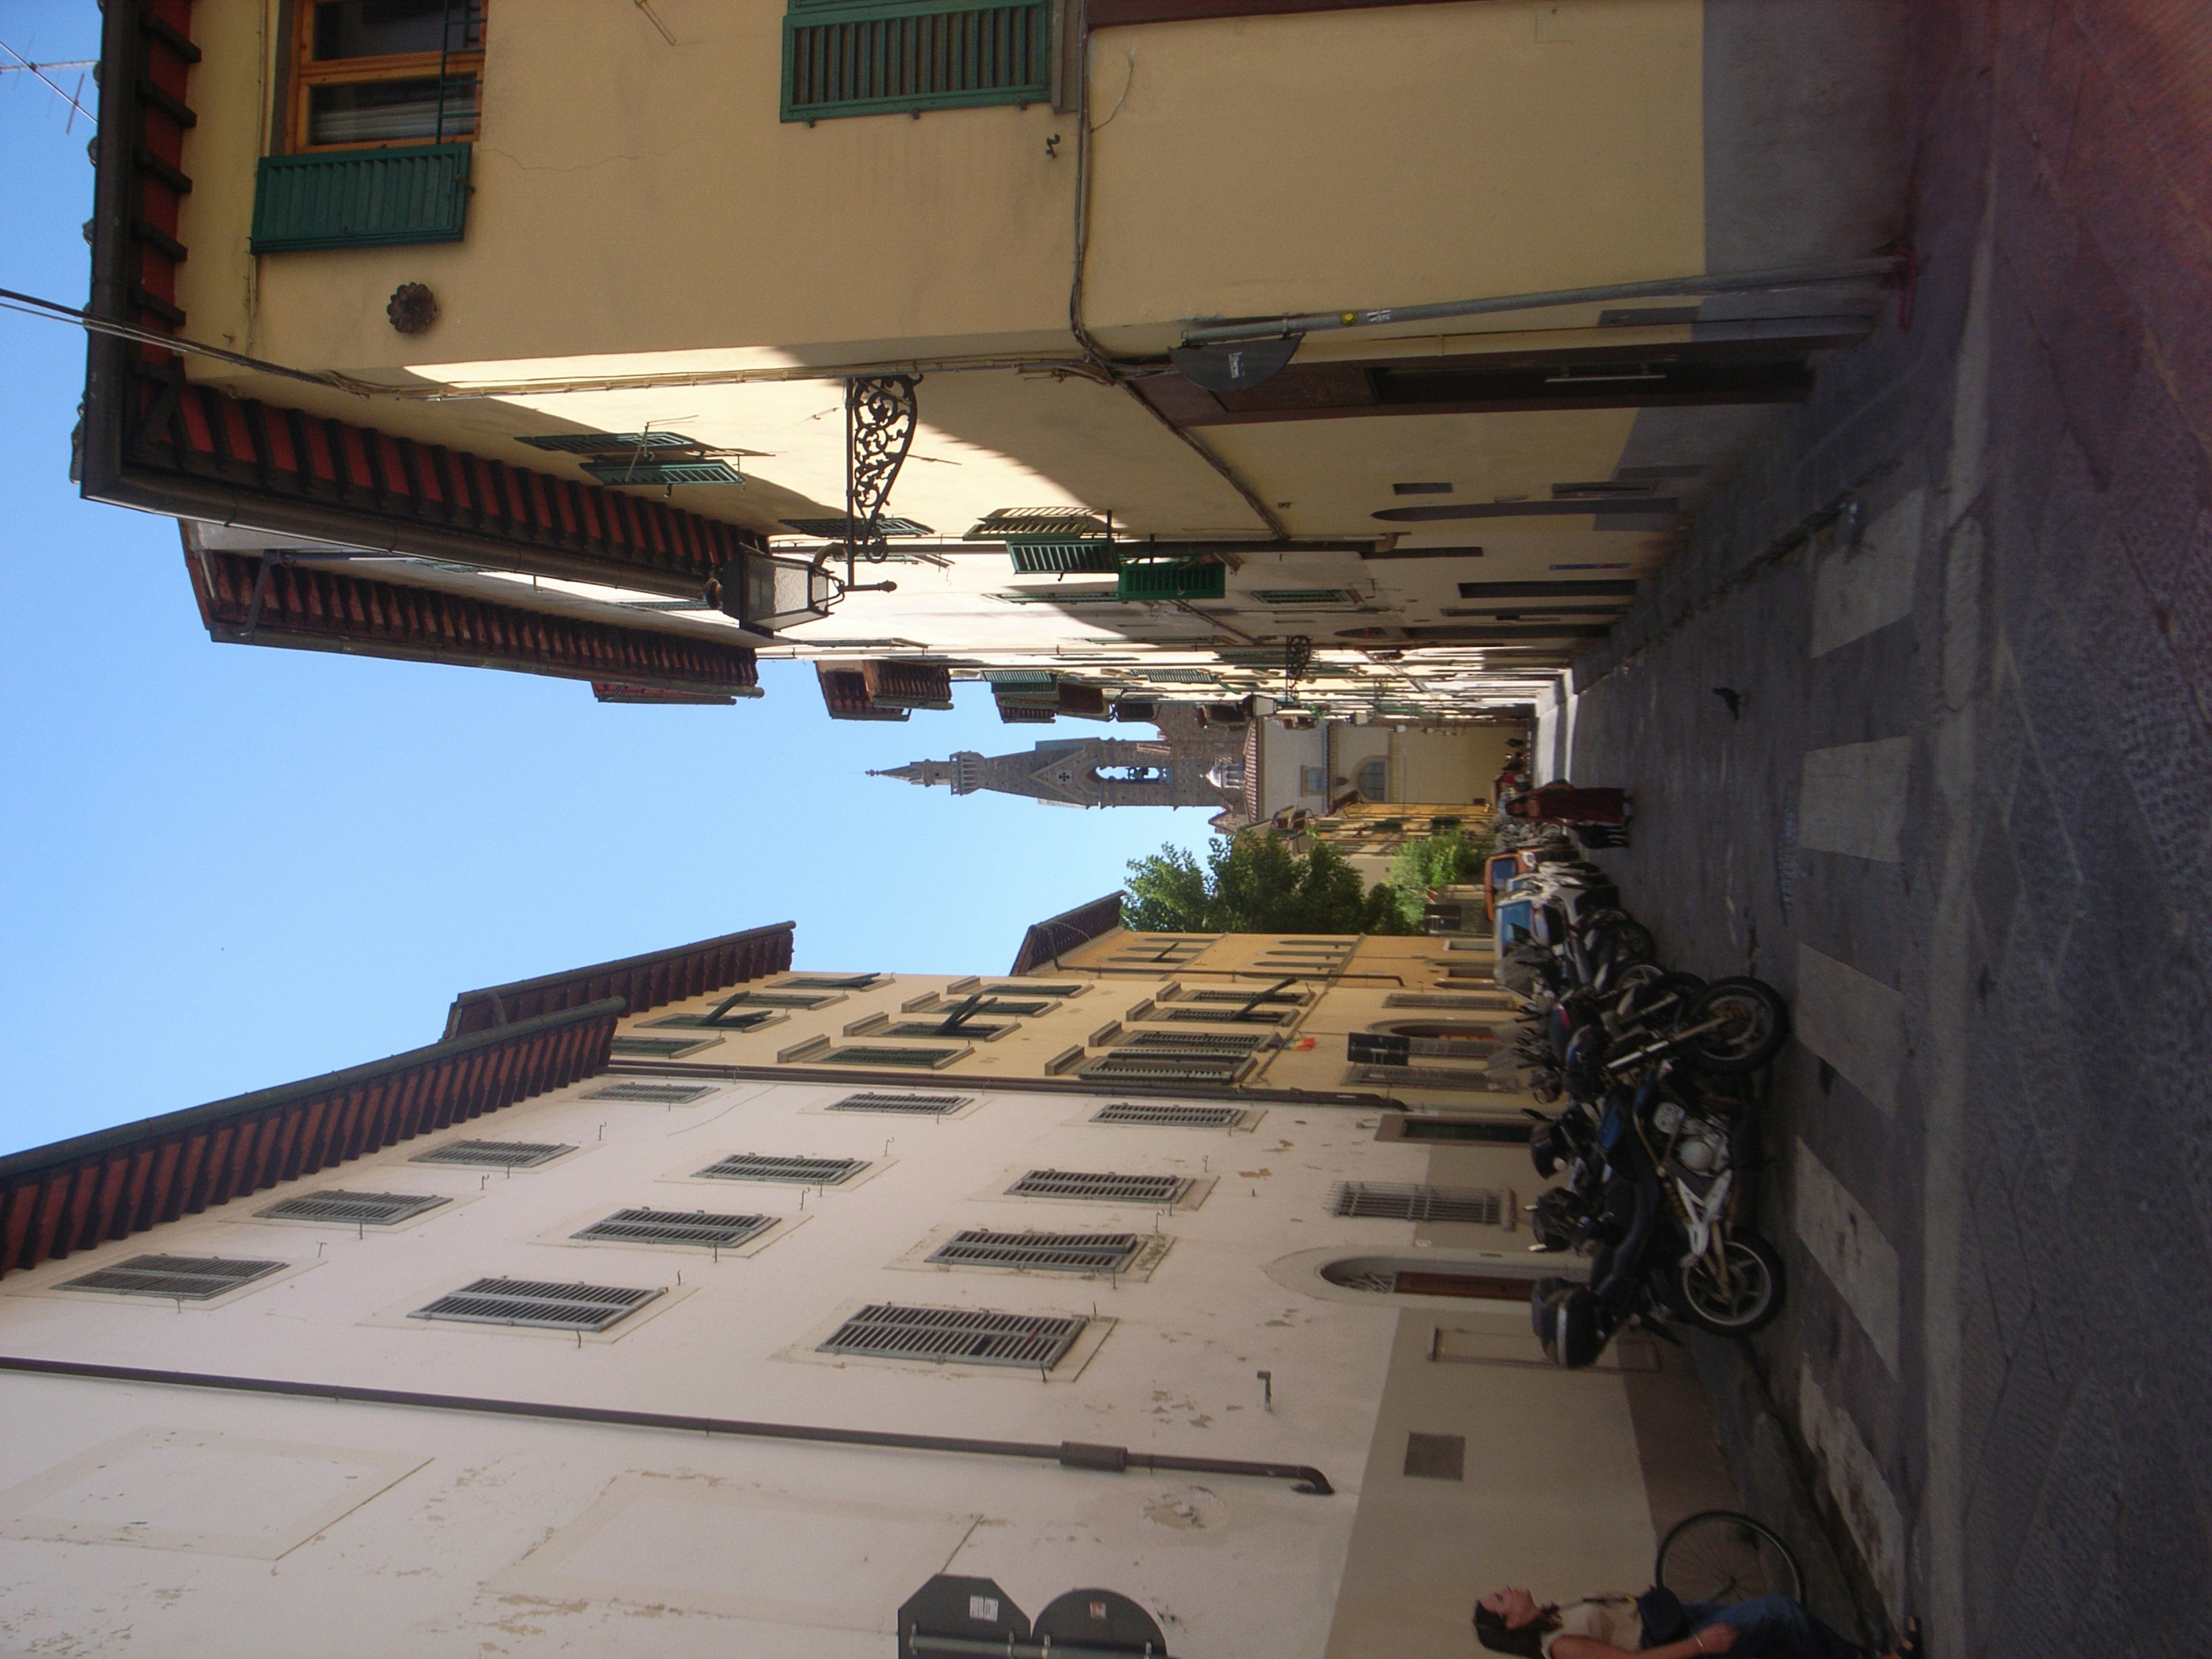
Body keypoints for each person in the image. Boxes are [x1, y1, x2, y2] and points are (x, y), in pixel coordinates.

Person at [1472, 1585, 1917, 1659]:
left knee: (1781, 1641)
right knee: (1779, 1613)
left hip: (1679, 1619)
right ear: (1509, 1622)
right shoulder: (1560, 1647)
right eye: (1500, 1596)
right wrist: (1703, 1645)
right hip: (1685, 1642)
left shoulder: (1553, 1618)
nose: (1508, 1588)